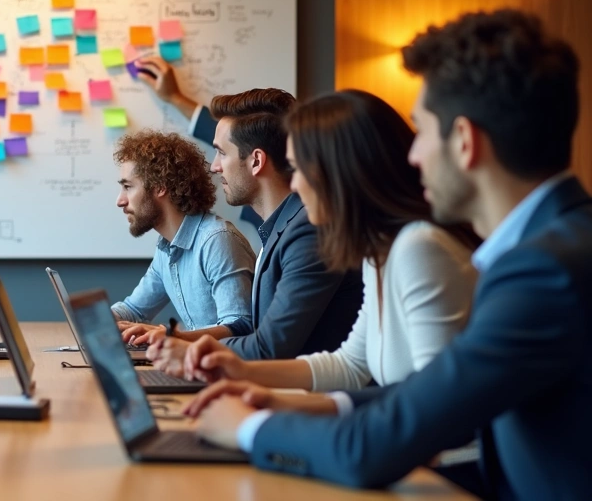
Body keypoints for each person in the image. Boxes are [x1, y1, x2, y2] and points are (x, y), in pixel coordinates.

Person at [185, 9, 592, 499]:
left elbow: (390, 438)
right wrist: (269, 396)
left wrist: (249, 428)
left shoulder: (542, 272)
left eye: (421, 132)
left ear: (464, 142)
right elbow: (420, 394)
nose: (413, 155)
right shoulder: (553, 248)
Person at [150, 90, 479, 406]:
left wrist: (272, 421)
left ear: (338, 172)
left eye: (300, 168)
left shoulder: (416, 247)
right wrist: (245, 373)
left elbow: (437, 404)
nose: (294, 183)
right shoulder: (378, 253)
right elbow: (349, 364)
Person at [130, 60, 363, 358]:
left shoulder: (307, 229)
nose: (214, 167)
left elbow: (270, 347)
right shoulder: (281, 221)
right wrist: (175, 338)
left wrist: (184, 347)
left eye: (220, 153)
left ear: (256, 161)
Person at [108, 130, 254, 342]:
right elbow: (134, 310)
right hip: (198, 367)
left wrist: (172, 337)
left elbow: (240, 325)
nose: (120, 201)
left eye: (128, 187)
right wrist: (100, 319)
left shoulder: (216, 240)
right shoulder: (166, 247)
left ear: (159, 187)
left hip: (227, 371)